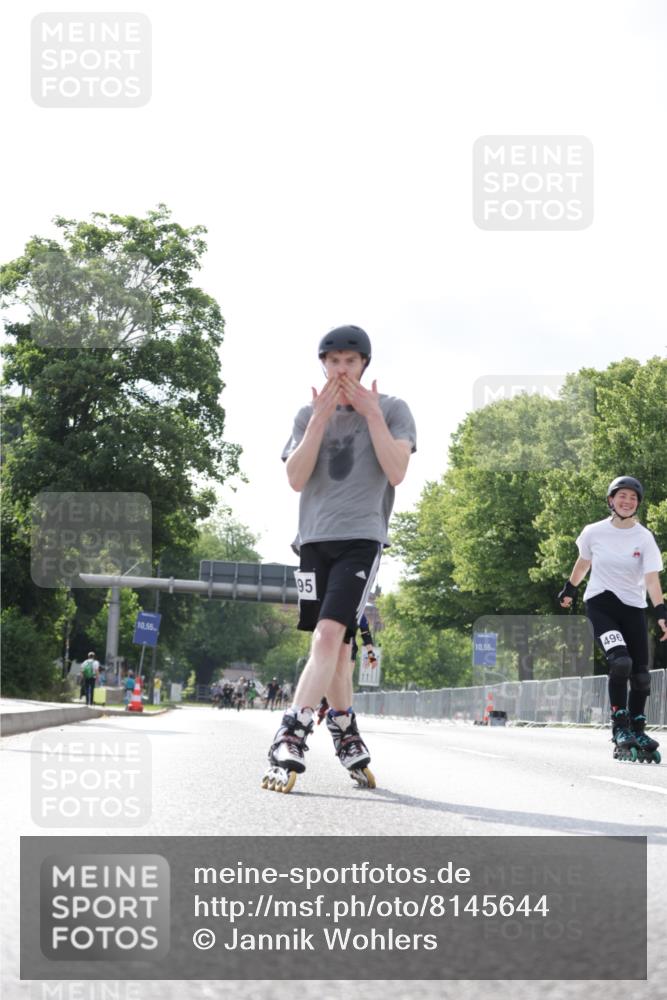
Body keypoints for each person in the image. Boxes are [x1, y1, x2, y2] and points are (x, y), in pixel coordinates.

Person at [262, 325, 416, 792]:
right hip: (312, 541)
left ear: (364, 364)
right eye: (333, 362)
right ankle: (346, 732)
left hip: (361, 539)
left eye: (350, 361)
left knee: (329, 635)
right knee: (340, 650)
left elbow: (397, 470)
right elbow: (294, 478)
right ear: (323, 366)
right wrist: (317, 419)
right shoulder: (308, 414)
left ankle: (291, 732)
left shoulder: (392, 409)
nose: (341, 370)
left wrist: (370, 414)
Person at [558, 476, 666, 761]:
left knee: (641, 675)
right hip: (600, 604)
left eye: (633, 498)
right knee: (621, 662)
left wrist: (661, 613)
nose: (627, 501)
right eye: (622, 496)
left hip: (632, 607)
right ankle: (619, 726)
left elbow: (652, 580)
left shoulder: (644, 537)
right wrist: (570, 588)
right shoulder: (593, 532)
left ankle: (638, 727)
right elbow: (583, 563)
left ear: (637, 504)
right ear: (611, 500)